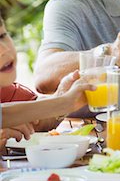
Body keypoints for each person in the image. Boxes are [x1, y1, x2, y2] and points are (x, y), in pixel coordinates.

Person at [0, 12, 93, 148]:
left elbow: (34, 120)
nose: (4, 49)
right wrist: (63, 103)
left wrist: (62, 98)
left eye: (2, 36)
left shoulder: (6, 88)